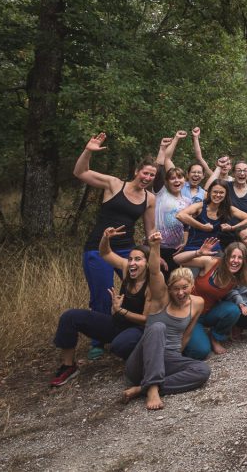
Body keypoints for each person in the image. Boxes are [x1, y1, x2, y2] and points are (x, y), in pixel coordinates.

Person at [73, 132, 156, 359]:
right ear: (136, 172)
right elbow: (80, 172)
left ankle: (130, 329)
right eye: (145, 173)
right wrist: (89, 150)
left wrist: (155, 257)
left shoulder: (150, 198)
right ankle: (98, 341)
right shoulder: (113, 184)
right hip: (98, 248)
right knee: (101, 293)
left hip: (128, 250)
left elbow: (150, 232)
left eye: (152, 175)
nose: (148, 177)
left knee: (137, 290)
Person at [51, 227, 152, 386]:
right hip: (116, 324)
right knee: (69, 317)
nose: (132, 263)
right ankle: (68, 366)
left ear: (148, 263)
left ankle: (138, 359)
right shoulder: (127, 269)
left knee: (120, 345)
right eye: (131, 259)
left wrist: (121, 310)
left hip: (138, 330)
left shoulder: (152, 285)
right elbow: (105, 254)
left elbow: (146, 320)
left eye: (138, 259)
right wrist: (105, 238)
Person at [122, 232, 209, 411]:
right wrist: (155, 247)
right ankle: (152, 388)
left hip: (168, 359)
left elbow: (187, 334)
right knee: (158, 327)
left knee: (203, 371)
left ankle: (142, 388)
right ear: (169, 289)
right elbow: (154, 271)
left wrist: (177, 359)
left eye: (185, 288)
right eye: (175, 288)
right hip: (142, 362)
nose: (180, 293)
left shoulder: (198, 303)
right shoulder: (161, 299)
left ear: (192, 287)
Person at [176, 181, 247, 251]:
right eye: (215, 192)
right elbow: (180, 215)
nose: (218, 195)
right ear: (209, 192)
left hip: (214, 248)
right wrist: (202, 227)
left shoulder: (228, 208)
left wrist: (232, 228)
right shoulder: (200, 206)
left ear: (226, 194)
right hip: (194, 246)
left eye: (221, 192)